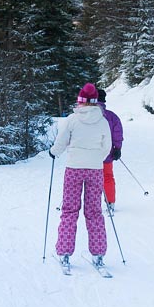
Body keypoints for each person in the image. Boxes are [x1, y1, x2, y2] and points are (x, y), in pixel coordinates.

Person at [49, 83, 111, 269]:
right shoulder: (103, 121)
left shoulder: (71, 119)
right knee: (94, 212)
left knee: (69, 210)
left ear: (80, 101)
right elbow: (106, 147)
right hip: (95, 170)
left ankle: (65, 252)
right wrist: (95, 159)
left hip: (74, 169)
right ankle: (98, 254)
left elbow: (61, 142)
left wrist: (54, 152)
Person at [97, 88, 123, 215]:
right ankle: (110, 203)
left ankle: (93, 204)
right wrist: (117, 148)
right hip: (107, 154)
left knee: (92, 179)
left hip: (90, 155)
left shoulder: (85, 115)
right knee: (107, 177)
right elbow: (117, 133)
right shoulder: (112, 116)